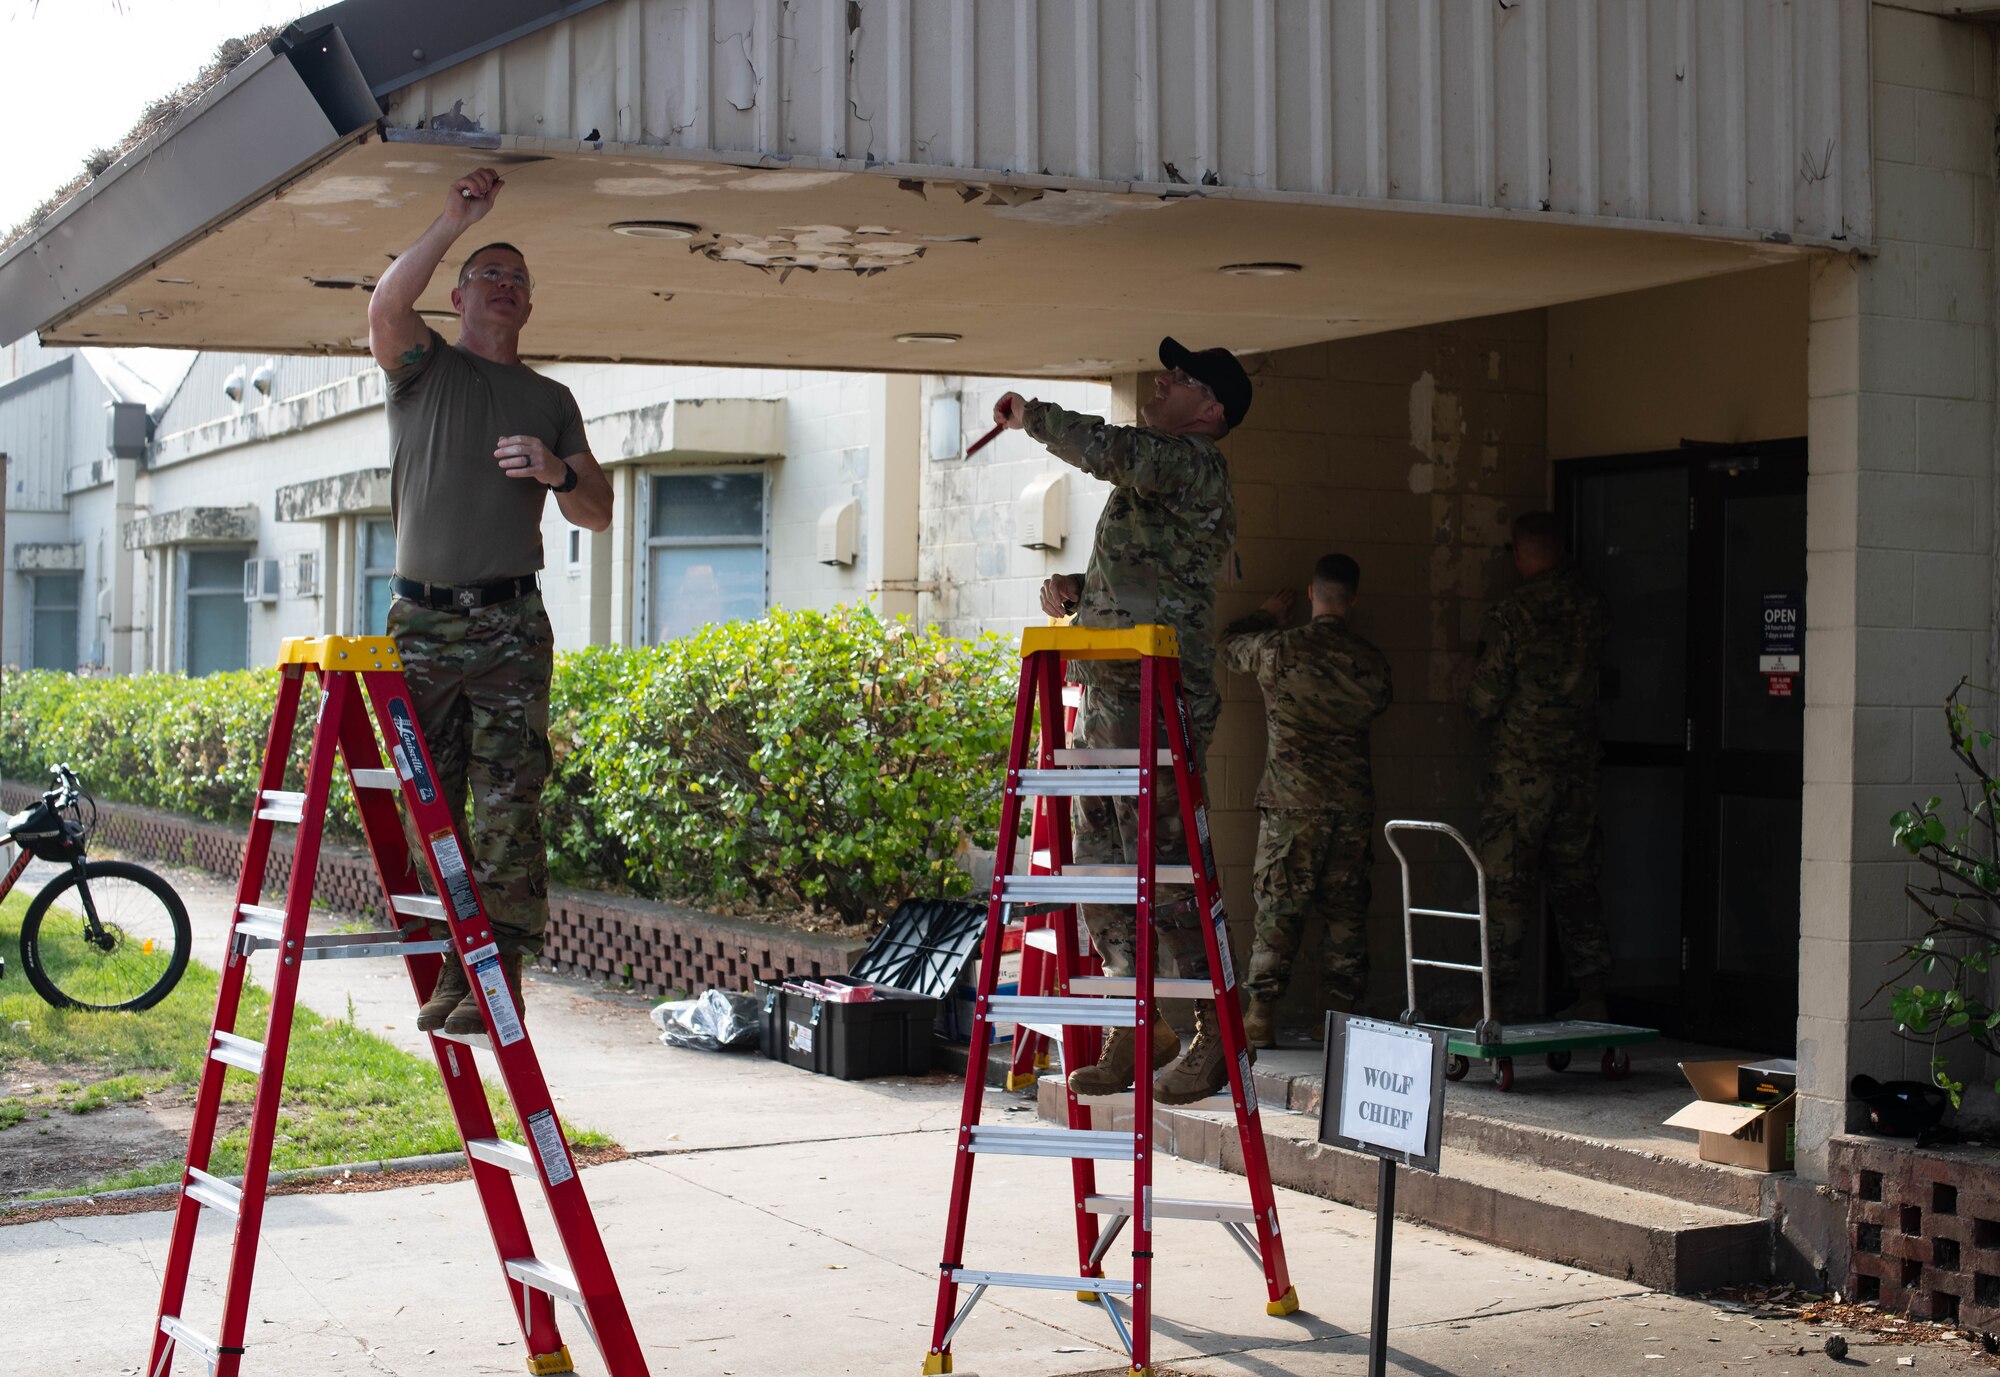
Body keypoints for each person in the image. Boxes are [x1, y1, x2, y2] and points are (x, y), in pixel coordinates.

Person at [366, 166, 613, 1034]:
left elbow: (599, 510)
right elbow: (386, 309)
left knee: (511, 797)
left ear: (529, 309)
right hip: (422, 620)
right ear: (460, 297)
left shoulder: (551, 400)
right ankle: (453, 961)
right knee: (426, 798)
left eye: (518, 281)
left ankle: (497, 971)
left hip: (511, 622)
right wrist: (450, 219)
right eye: (489, 275)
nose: (505, 287)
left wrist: (559, 471)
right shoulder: (422, 368)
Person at [991, 338, 1249, 1105]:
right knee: (1102, 870)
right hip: (1108, 694)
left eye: (1181, 377)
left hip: (1153, 702)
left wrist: (1032, 417)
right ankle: (1139, 1030)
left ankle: (1212, 1034)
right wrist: (1085, 591)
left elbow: (1112, 451)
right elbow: (1152, 574)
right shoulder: (1161, 477)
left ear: (1211, 410)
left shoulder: (1191, 463)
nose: (1161, 380)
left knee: (1167, 868)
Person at [1220, 554, 1393, 1049]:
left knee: (1279, 910)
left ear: (1312, 593)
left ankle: (1260, 1016)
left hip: (1291, 806)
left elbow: (1229, 647)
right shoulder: (1371, 662)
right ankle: (1337, 1020)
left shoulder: (1279, 649)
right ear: (1353, 600)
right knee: (1345, 915)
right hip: (1352, 807)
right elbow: (1381, 701)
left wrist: (1266, 615)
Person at [1467, 510, 1613, 1022]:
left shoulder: (1514, 612)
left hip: (1522, 774)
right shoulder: (1592, 604)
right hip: (1578, 770)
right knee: (1576, 880)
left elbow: (1485, 697)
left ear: (1519, 554)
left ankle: (1496, 1002)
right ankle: (1592, 990)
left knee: (1505, 884)